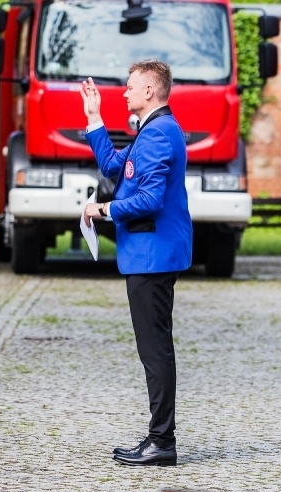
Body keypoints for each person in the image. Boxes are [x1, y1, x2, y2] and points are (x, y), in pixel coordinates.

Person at [80, 59, 192, 467]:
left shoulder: (160, 132)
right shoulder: (151, 130)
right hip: (147, 254)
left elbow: (149, 200)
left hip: (153, 254)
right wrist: (95, 119)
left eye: (129, 87)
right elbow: (115, 167)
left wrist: (102, 211)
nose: (123, 93)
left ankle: (162, 441)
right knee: (153, 347)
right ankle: (159, 438)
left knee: (155, 349)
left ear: (149, 91)